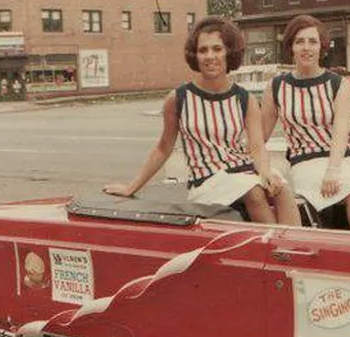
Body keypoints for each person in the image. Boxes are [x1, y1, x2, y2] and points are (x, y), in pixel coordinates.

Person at [103, 16, 300, 226]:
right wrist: (131, 187)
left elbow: (257, 147)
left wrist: (266, 172)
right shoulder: (178, 98)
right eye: (203, 50)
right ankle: (275, 251)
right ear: (194, 56)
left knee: (282, 188)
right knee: (255, 193)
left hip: (243, 170)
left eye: (217, 49)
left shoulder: (245, 98)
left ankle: (297, 248)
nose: (210, 56)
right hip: (207, 181)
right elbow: (163, 148)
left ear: (229, 52)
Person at [262, 14, 350, 231]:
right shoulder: (276, 86)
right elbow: (260, 136)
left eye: (312, 42)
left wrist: (333, 169)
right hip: (305, 162)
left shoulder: (339, 84)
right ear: (291, 47)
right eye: (300, 42)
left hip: (343, 159)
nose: (306, 48)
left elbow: (341, 133)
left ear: (322, 47)